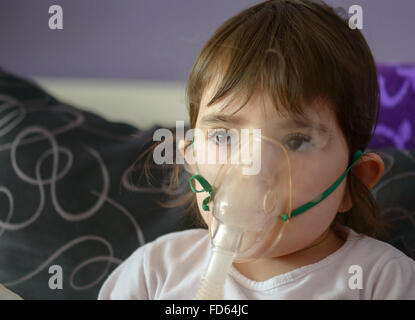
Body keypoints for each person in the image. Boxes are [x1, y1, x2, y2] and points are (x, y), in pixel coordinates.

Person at [98, 0, 415, 299]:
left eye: (295, 140)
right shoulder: (155, 271)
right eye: (223, 137)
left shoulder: (383, 281)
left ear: (355, 182)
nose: (252, 167)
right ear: (192, 159)